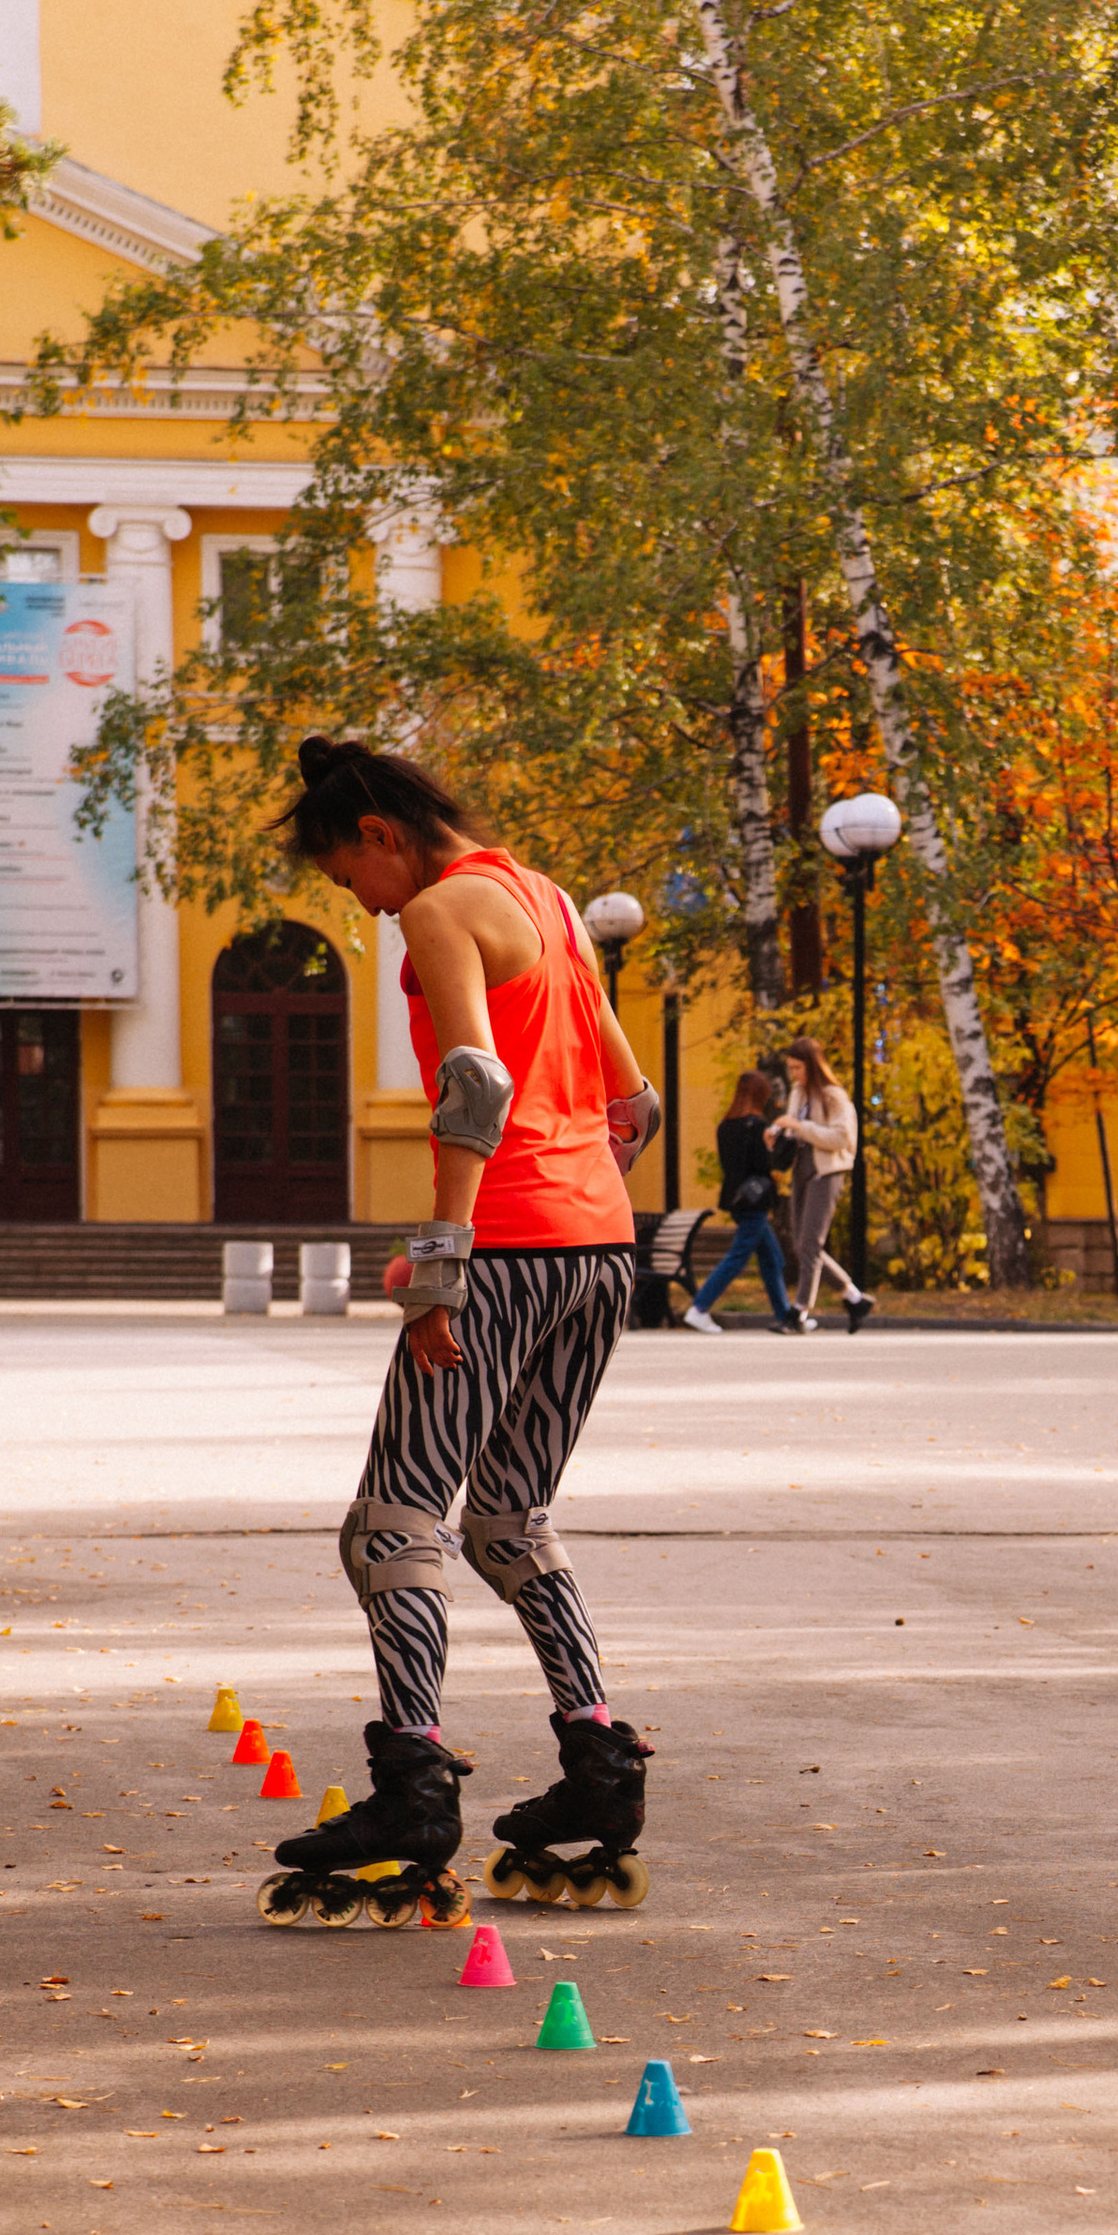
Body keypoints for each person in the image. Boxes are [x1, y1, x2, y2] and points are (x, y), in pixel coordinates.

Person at [256, 734, 658, 1922]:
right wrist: (575, 1188)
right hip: (599, 1248)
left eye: (347, 881)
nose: (367, 910)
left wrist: (445, 1259)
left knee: (393, 1523)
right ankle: (599, 1766)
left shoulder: (443, 908)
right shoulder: (548, 899)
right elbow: (629, 1102)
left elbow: (475, 1085)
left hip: (512, 1249)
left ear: (380, 836)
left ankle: (414, 1783)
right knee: (508, 1519)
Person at [770, 1035, 878, 1332]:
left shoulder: (834, 1096)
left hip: (827, 1173)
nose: (794, 1075)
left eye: (798, 1068)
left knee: (810, 1245)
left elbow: (842, 1138)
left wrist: (800, 1127)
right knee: (803, 1245)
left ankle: (799, 1313)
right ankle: (854, 1298)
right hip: (801, 1171)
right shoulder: (798, 1092)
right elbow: (794, 1128)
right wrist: (778, 1134)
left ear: (813, 1066)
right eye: (791, 1069)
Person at [679, 1069, 799, 1333]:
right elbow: (765, 1165)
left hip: (735, 1198)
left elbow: (729, 1164)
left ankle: (786, 1315)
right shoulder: (757, 1127)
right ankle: (699, 1308)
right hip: (754, 1203)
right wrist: (773, 1146)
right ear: (760, 1096)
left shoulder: (725, 1125)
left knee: (772, 1259)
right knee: (737, 1257)